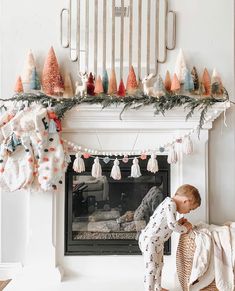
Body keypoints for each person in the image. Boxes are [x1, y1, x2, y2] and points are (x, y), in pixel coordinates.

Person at [138, 184, 201, 291]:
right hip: (150, 241)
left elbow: (169, 223)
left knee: (159, 266)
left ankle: (158, 288)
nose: (188, 212)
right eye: (190, 209)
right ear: (186, 201)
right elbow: (172, 225)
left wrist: (179, 223)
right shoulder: (170, 204)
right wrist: (186, 228)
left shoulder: (170, 204)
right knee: (151, 268)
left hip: (157, 242)